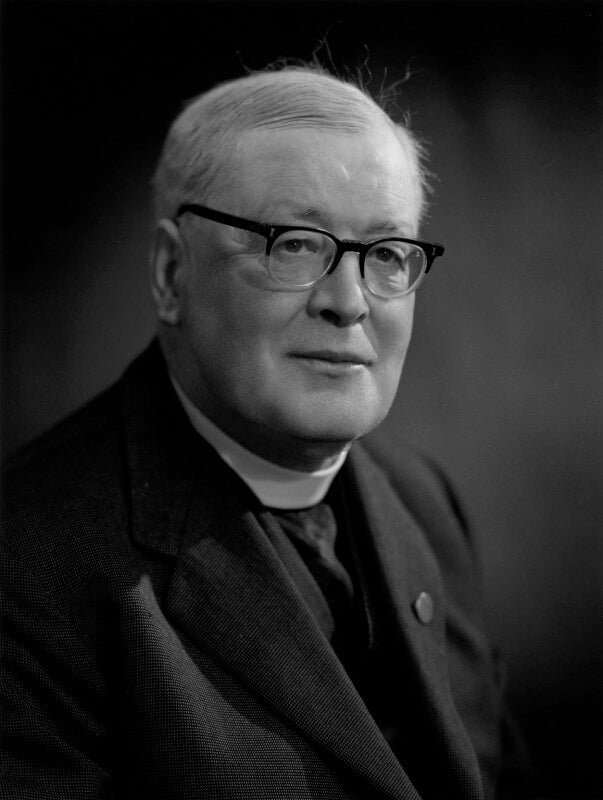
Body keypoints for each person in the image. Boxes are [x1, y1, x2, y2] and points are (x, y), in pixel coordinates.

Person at [2, 65, 527, 799]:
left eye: (385, 254)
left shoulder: (424, 502)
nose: (348, 302)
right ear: (171, 273)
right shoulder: (27, 566)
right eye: (294, 245)